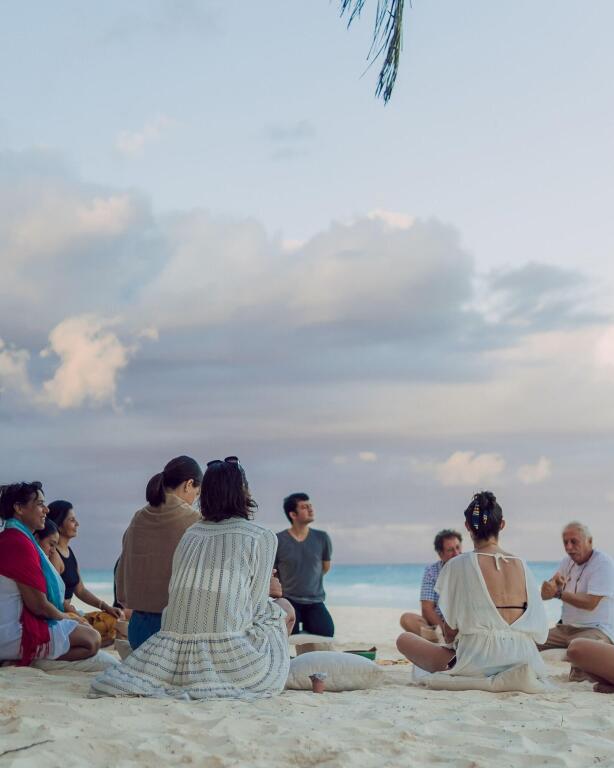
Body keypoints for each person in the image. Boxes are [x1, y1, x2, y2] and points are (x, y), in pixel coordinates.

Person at [91, 457, 293, 699]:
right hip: (229, 654)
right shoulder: (262, 536)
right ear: (243, 492)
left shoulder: (190, 533)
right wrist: (269, 589)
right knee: (281, 609)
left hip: (163, 641)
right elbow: (256, 607)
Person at [396, 491, 548, 679]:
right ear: (502, 525)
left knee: (404, 640)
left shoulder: (457, 565)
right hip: (523, 658)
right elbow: (541, 632)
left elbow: (450, 633)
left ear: (468, 526)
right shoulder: (522, 565)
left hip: (478, 661)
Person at [0, 482, 100, 665]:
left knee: (87, 631)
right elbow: (38, 605)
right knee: (92, 640)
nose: (46, 509)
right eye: (39, 504)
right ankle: (23, 659)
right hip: (11, 631)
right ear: (19, 508)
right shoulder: (17, 542)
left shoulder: (13, 536)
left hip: (11, 624)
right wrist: (70, 618)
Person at [114, 455, 203, 649]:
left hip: (137, 632)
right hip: (174, 630)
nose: (194, 500)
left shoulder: (138, 517)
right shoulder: (195, 521)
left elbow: (122, 571)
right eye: (196, 494)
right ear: (188, 484)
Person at [538, 521, 614, 680]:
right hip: (565, 629)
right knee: (528, 641)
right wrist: (547, 588)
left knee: (578, 674)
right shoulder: (567, 562)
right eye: (565, 542)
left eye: (574, 541)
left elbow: (590, 603)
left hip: (595, 629)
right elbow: (545, 596)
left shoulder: (604, 564)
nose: (569, 547)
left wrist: (558, 594)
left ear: (590, 541)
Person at [46, 500, 122, 620]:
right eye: (72, 520)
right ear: (59, 526)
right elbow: (52, 596)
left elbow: (80, 590)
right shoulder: (54, 555)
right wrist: (70, 611)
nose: (77, 524)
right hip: (60, 616)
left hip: (71, 612)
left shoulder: (69, 551)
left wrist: (105, 607)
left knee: (113, 621)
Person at [275, 492, 334, 637]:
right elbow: (274, 572)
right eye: (304, 507)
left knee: (326, 633)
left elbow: (324, 567)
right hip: (289, 600)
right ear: (293, 515)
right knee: (282, 636)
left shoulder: (322, 538)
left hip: (315, 601)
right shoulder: (278, 540)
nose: (310, 509)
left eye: (310, 506)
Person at [399, 529, 462, 640]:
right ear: (440, 554)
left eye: (458, 547)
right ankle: (439, 640)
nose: (456, 553)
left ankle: (440, 643)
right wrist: (445, 630)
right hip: (440, 624)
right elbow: (427, 609)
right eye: (450, 550)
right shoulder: (432, 571)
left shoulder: (469, 566)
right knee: (406, 619)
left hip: (463, 623)